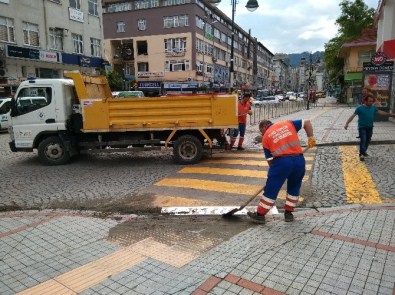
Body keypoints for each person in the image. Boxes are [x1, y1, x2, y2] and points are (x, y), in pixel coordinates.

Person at [247, 119, 316, 223]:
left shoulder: (266, 137)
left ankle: (260, 215)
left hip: (281, 163)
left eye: (261, 131)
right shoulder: (287, 123)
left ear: (264, 127)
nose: (262, 133)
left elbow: (270, 162)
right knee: (294, 186)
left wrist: (273, 179)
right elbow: (307, 122)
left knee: (271, 189)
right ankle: (288, 214)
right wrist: (310, 137)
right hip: (299, 161)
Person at [344, 95, 395, 161]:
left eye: (372, 101)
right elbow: (352, 116)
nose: (371, 102)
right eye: (369, 101)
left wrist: (392, 115)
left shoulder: (373, 108)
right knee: (363, 140)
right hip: (362, 127)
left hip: (370, 127)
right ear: (365, 101)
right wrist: (347, 123)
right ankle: (361, 154)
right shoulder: (360, 108)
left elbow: (382, 113)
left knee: (368, 140)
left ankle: (364, 151)